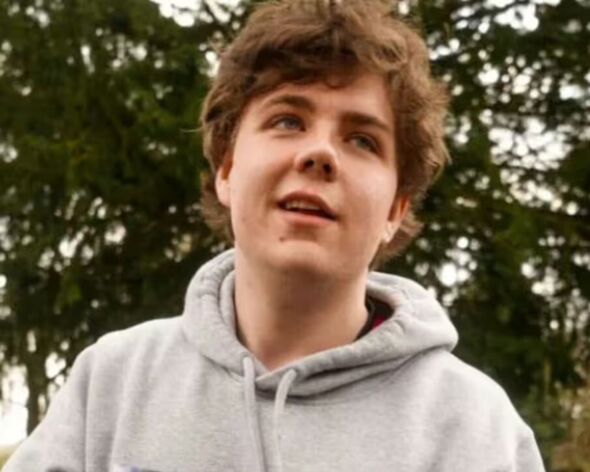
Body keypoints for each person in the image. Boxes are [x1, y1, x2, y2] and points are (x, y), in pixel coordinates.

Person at [4, 0, 546, 471]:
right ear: (227, 170)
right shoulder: (111, 385)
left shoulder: (475, 429)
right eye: (288, 120)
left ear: (395, 209)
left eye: (362, 139)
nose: (320, 153)